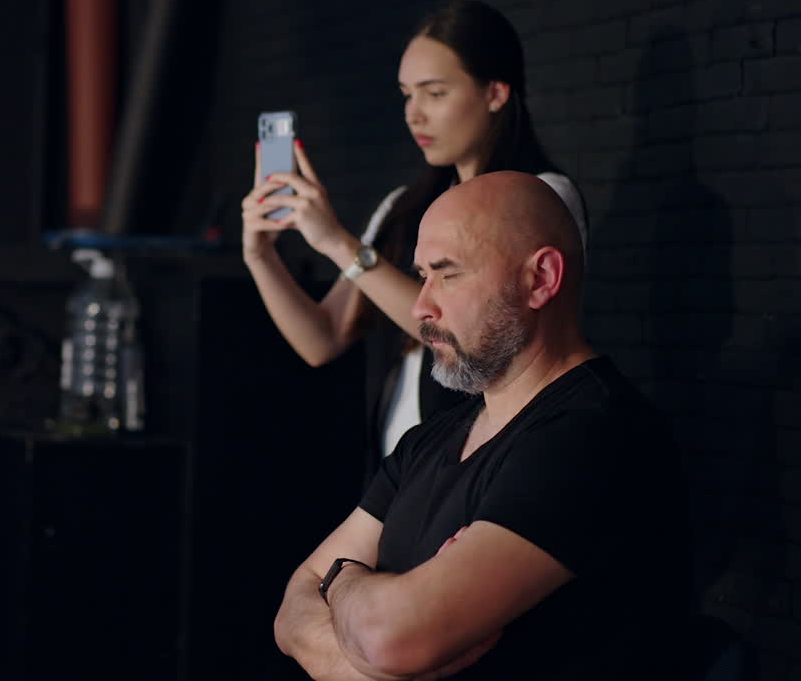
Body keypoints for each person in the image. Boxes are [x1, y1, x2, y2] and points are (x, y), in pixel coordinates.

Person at [272, 171, 686, 680]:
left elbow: (389, 636)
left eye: (448, 274)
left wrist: (342, 581)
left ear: (541, 279)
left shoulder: (594, 436)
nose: (422, 306)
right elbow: (291, 611)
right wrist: (363, 652)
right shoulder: (428, 441)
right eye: (422, 275)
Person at [241, 0, 587, 461]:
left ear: (495, 93)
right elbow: (321, 339)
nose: (414, 113)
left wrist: (339, 244)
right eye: (407, 94)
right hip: (400, 472)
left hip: (486, 461)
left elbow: (476, 330)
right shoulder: (402, 209)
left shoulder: (543, 198)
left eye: (435, 93)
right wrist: (260, 256)